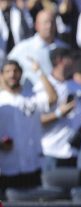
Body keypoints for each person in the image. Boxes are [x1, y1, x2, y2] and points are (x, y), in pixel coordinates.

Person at [0, 60, 57, 192]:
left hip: (32, 165)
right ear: (1, 75)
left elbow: (53, 98)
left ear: (21, 73)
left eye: (15, 71)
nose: (12, 75)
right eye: (7, 71)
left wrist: (39, 72)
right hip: (6, 167)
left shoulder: (31, 96)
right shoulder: (1, 101)